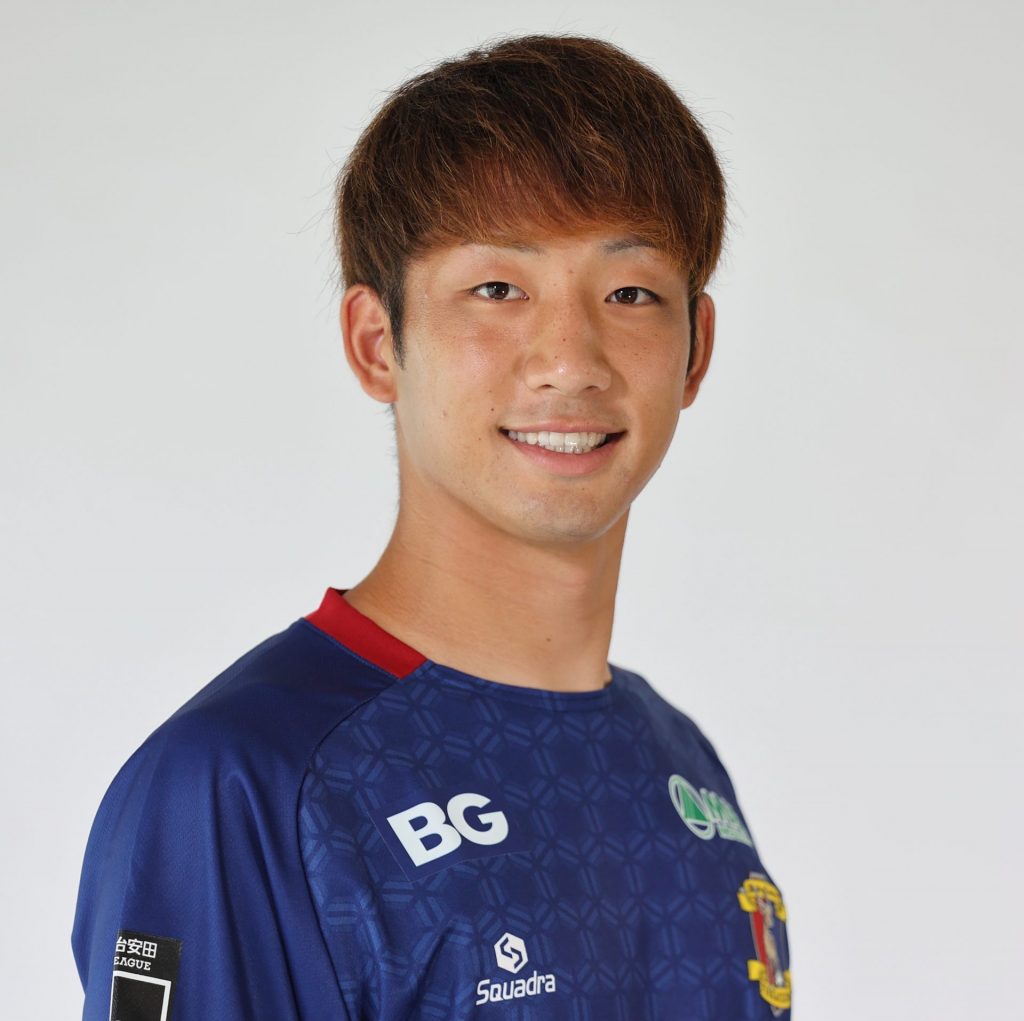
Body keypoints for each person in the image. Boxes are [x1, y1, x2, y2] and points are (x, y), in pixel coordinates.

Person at [72, 32, 791, 1020]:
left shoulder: (678, 761)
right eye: (497, 289)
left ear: (696, 349)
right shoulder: (235, 783)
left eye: (630, 292)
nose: (570, 359)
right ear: (378, 343)